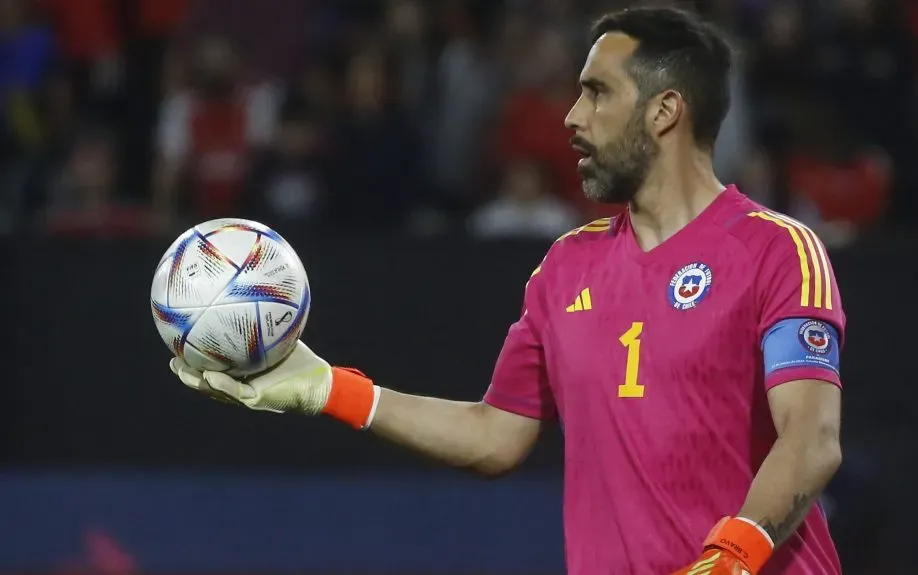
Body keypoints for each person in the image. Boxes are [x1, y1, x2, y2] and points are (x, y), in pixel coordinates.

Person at [170, 7, 845, 575]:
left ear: (666, 110)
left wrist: (733, 555)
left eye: (597, 92)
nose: (571, 116)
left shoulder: (775, 250)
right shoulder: (564, 271)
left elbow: (811, 439)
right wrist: (329, 389)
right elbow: (495, 435)